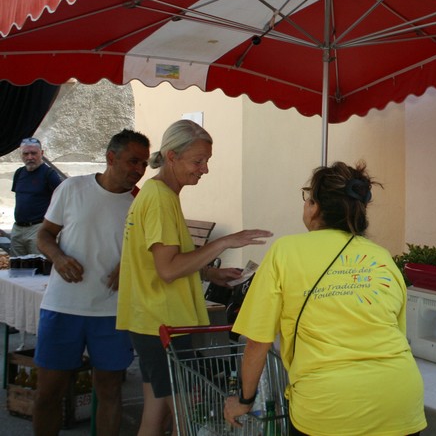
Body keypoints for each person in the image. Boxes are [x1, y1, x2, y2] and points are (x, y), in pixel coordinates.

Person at [223, 161, 427, 436]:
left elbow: (258, 343)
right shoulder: (381, 257)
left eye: (307, 198)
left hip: (326, 406)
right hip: (400, 400)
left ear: (315, 207)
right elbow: (396, 331)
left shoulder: (285, 251)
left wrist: (245, 400)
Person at [116, 119, 273, 436]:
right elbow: (168, 269)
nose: (204, 169)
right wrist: (224, 243)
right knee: (185, 418)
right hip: (162, 323)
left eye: (207, 161)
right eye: (198, 161)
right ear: (172, 156)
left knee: (155, 415)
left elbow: (159, 261)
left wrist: (210, 273)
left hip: (149, 320)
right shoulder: (160, 198)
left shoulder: (159, 193)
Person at [32, 129, 150, 436]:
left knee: (110, 391)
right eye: (133, 161)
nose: (139, 170)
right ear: (111, 157)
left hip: (113, 311)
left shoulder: (142, 201)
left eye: (144, 164)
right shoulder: (72, 188)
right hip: (63, 307)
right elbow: (44, 234)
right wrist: (58, 257)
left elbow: (152, 250)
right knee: (48, 393)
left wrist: (130, 265)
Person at [10, 137, 63, 256]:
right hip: (18, 229)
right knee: (17, 265)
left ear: (41, 153)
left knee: (38, 264)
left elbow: (62, 200)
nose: (30, 157)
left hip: (38, 229)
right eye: (26, 154)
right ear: (21, 155)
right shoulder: (19, 173)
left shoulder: (49, 174)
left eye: (33, 153)